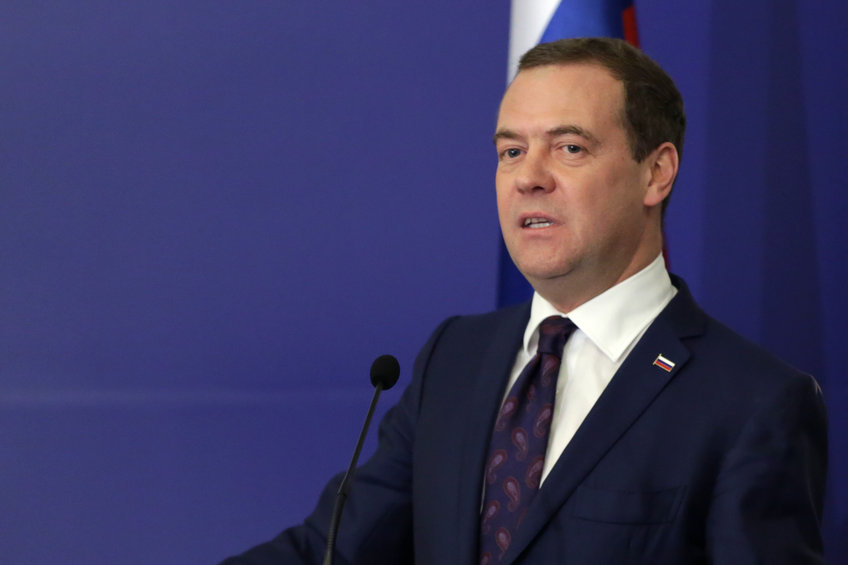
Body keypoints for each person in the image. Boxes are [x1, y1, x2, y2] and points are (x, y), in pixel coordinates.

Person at [220, 37, 827, 564]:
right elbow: (331, 551)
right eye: (511, 151)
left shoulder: (752, 403)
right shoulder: (455, 358)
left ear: (656, 173)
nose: (528, 177)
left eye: (569, 147)